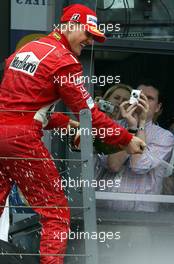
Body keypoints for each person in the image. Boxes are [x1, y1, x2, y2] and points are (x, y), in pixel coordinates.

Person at [0, 4, 146, 264]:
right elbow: (91, 113)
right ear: (68, 26)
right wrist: (126, 139)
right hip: (21, 142)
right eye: (87, 34)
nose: (89, 41)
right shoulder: (63, 61)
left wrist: (65, 123)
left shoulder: (26, 50)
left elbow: (22, 109)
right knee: (56, 213)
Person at [96, 80, 174, 212]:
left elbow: (138, 166)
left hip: (140, 216)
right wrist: (131, 128)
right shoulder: (114, 126)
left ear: (158, 107)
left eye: (149, 98)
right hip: (103, 211)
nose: (142, 100)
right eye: (138, 95)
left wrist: (141, 124)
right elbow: (113, 165)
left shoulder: (165, 137)